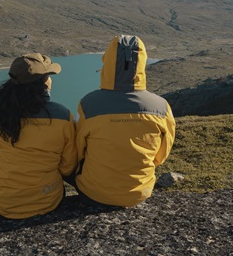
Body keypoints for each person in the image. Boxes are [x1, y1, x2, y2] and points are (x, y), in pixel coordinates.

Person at [73, 35, 175, 207]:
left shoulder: (88, 104)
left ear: (108, 63)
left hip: (93, 193)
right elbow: (160, 156)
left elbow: (77, 151)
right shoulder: (161, 106)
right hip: (140, 193)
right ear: (142, 64)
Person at [0, 53, 77, 219]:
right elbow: (68, 165)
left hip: (1, 202)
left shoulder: (0, 112)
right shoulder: (62, 115)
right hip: (46, 200)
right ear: (44, 82)